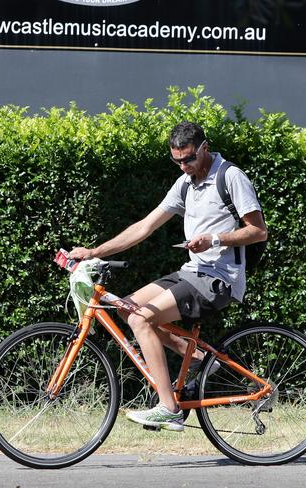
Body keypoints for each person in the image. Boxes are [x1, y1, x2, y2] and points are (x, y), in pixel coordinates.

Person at [69, 121, 267, 432]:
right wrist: (94, 252)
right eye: (177, 161)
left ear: (204, 147)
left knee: (140, 320)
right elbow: (144, 227)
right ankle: (203, 358)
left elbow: (258, 231)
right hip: (192, 272)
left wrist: (215, 239)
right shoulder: (185, 184)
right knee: (125, 307)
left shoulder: (230, 177)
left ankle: (169, 408)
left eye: (189, 159)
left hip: (219, 278)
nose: (185, 167)